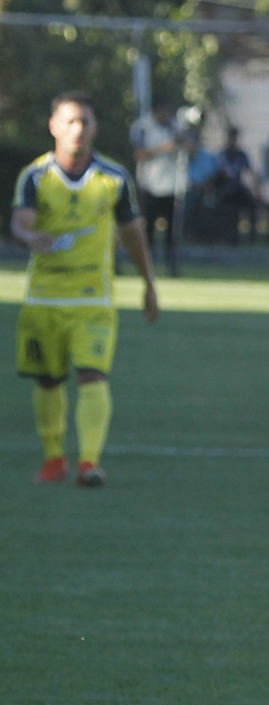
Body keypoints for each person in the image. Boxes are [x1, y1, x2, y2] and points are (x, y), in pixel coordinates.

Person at [12, 90, 160, 487]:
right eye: (71, 121)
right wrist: (29, 235)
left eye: (86, 122)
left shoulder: (112, 178)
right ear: (53, 126)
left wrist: (149, 285)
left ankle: (89, 462)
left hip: (93, 299)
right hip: (43, 299)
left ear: (95, 128)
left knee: (93, 375)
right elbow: (20, 221)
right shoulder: (36, 176)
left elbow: (133, 235)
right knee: (48, 381)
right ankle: (54, 458)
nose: (78, 129)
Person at [129, 98, 184, 271]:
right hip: (149, 185)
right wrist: (163, 148)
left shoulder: (177, 126)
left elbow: (191, 148)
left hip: (172, 186)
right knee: (148, 230)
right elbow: (138, 154)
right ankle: (147, 265)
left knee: (172, 232)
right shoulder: (143, 127)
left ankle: (172, 266)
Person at [216, 125, 259, 243]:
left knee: (252, 205)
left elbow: (249, 172)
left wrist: (255, 189)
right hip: (226, 192)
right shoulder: (222, 155)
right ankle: (230, 237)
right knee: (230, 210)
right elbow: (223, 173)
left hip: (239, 190)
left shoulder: (242, 154)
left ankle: (252, 237)